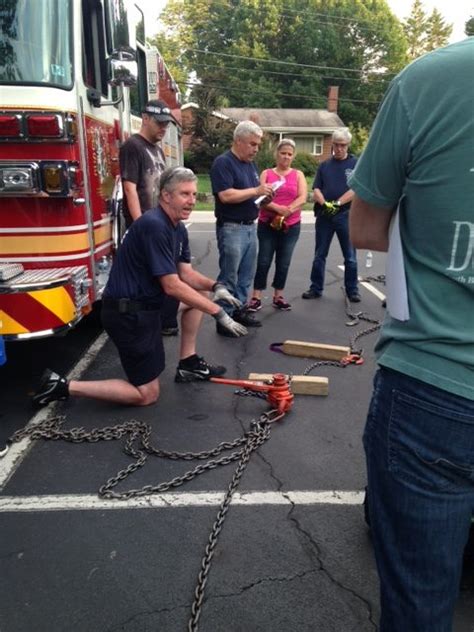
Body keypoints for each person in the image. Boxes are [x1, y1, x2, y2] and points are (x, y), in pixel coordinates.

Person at [349, 38, 474, 631]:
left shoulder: (431, 79)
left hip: (438, 383)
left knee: (421, 604)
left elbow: (368, 228)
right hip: (437, 388)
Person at [32, 167, 247, 408]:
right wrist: (217, 313)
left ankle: (188, 364)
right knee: (146, 394)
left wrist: (216, 286)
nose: (192, 201)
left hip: (150, 304)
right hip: (129, 315)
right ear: (166, 196)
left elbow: (186, 273)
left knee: (200, 293)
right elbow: (172, 285)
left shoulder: (176, 227)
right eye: (185, 194)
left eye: (195, 195)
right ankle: (61, 386)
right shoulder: (154, 225)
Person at [119, 98, 179, 336]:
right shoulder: (132, 146)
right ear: (145, 118)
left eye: (166, 124)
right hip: (145, 224)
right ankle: (148, 325)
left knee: (165, 275)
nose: (163, 128)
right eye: (159, 123)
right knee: (149, 278)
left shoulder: (157, 149)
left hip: (161, 223)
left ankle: (164, 322)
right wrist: (139, 226)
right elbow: (130, 188)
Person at [210, 120, 274, 336]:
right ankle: (224, 319)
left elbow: (250, 195)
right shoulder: (223, 163)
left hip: (249, 226)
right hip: (231, 227)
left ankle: (239, 312)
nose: (256, 149)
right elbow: (226, 195)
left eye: (258, 145)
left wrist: (264, 198)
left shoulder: (250, 165)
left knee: (246, 275)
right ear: (238, 141)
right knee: (230, 276)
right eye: (252, 144)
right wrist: (256, 190)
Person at [248, 139, 307, 312]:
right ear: (277, 154)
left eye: (289, 154)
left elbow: (302, 197)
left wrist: (288, 210)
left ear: (293, 156)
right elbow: (260, 198)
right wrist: (277, 208)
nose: (286, 157)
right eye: (283, 153)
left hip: (291, 225)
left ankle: (278, 296)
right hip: (267, 224)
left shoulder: (298, 175)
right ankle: (256, 296)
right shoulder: (267, 173)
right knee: (264, 260)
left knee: (284, 262)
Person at [302, 128, 360, 302]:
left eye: (343, 145)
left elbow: (356, 188)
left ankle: (352, 290)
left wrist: (338, 203)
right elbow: (317, 188)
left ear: (347, 145)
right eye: (336, 145)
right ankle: (316, 288)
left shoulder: (355, 164)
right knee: (319, 254)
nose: (339, 148)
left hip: (346, 214)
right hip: (325, 215)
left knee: (350, 256)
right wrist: (324, 203)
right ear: (332, 145)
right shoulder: (324, 165)